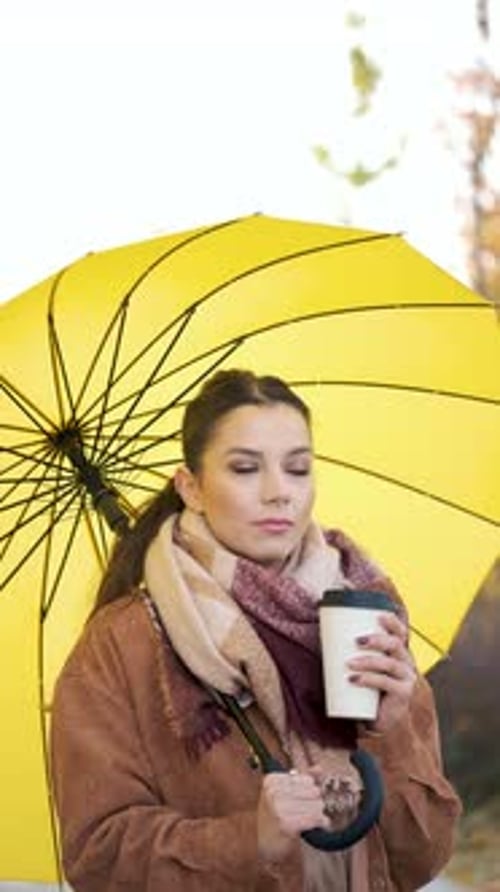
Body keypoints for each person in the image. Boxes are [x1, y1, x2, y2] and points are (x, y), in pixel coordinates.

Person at [50, 369, 461, 892]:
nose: (278, 493)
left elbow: (422, 856)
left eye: (298, 468)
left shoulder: (363, 608)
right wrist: (251, 840)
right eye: (245, 469)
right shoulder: (118, 648)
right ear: (191, 488)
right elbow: (99, 859)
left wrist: (390, 734)